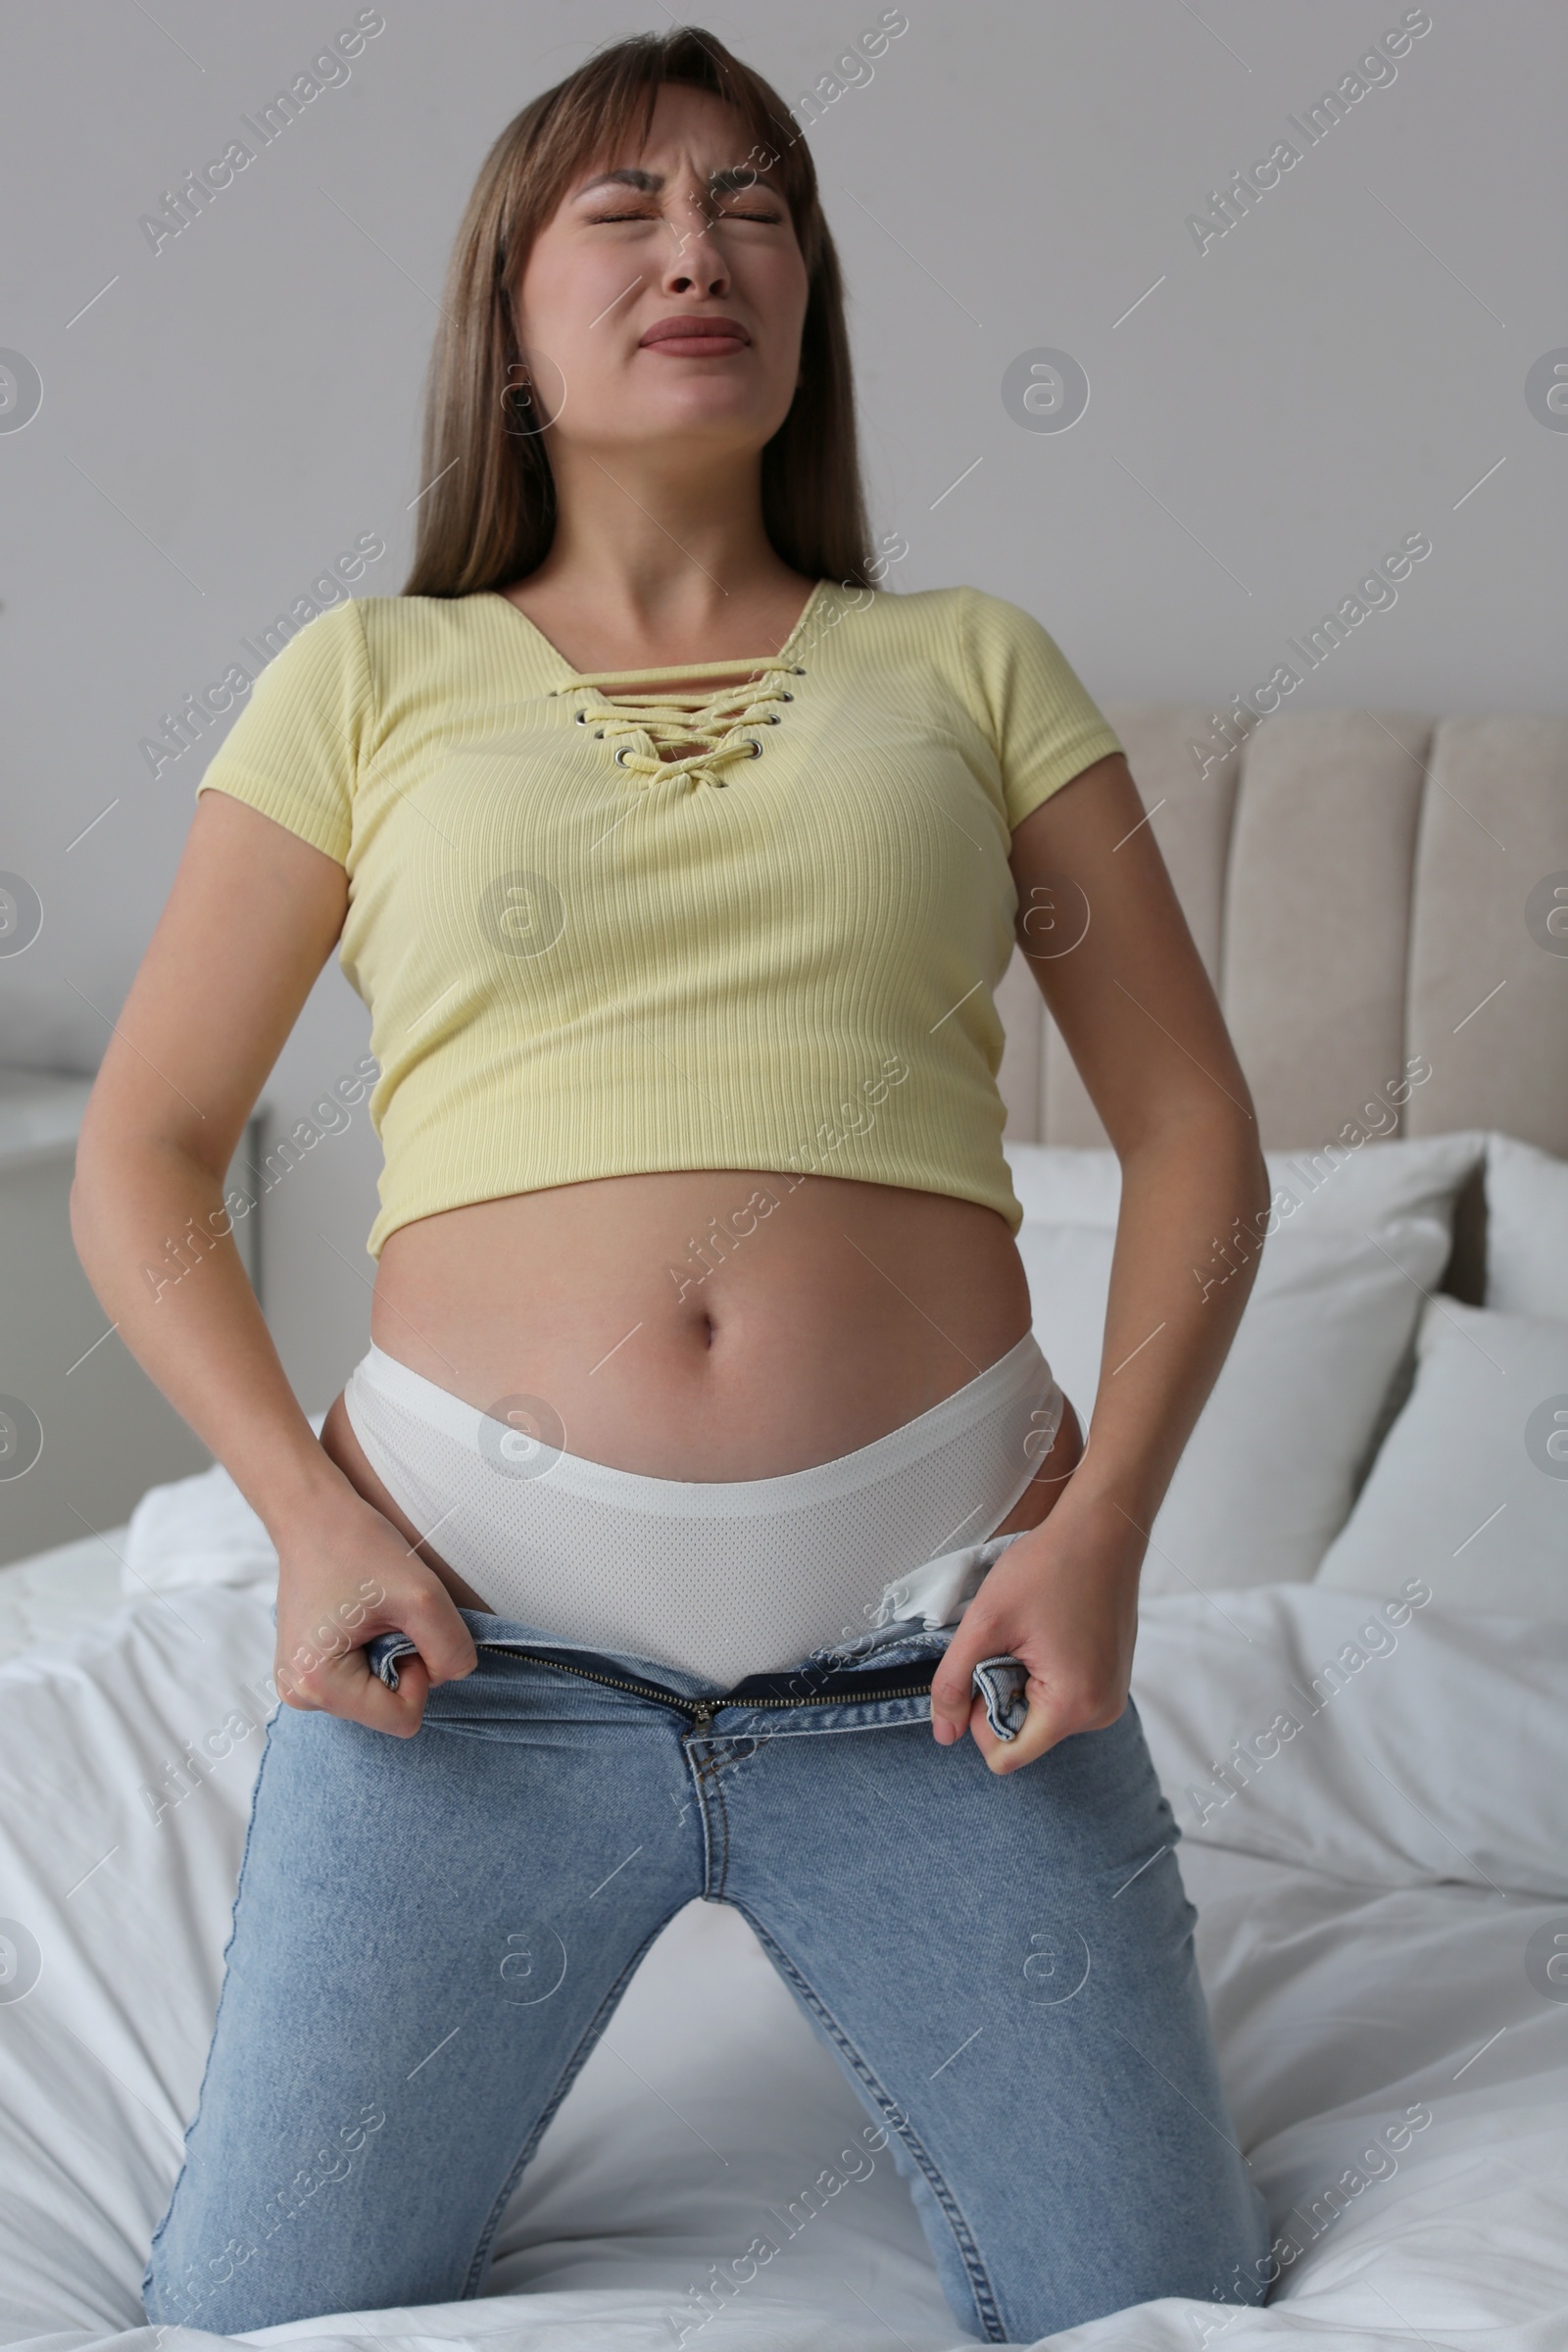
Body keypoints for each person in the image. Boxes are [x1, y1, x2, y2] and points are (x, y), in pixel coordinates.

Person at [73, 26, 1274, 2343]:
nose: (692, 248)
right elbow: (142, 1145)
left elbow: (1194, 1129)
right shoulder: (365, 678)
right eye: (617, 210)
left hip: (944, 1661)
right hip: (467, 1663)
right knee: (252, 2313)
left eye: (749, 204)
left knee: (1161, 2298)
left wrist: (1101, 1526)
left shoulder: (967, 666)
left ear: (806, 296)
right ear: (505, 319)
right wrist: (305, 1524)